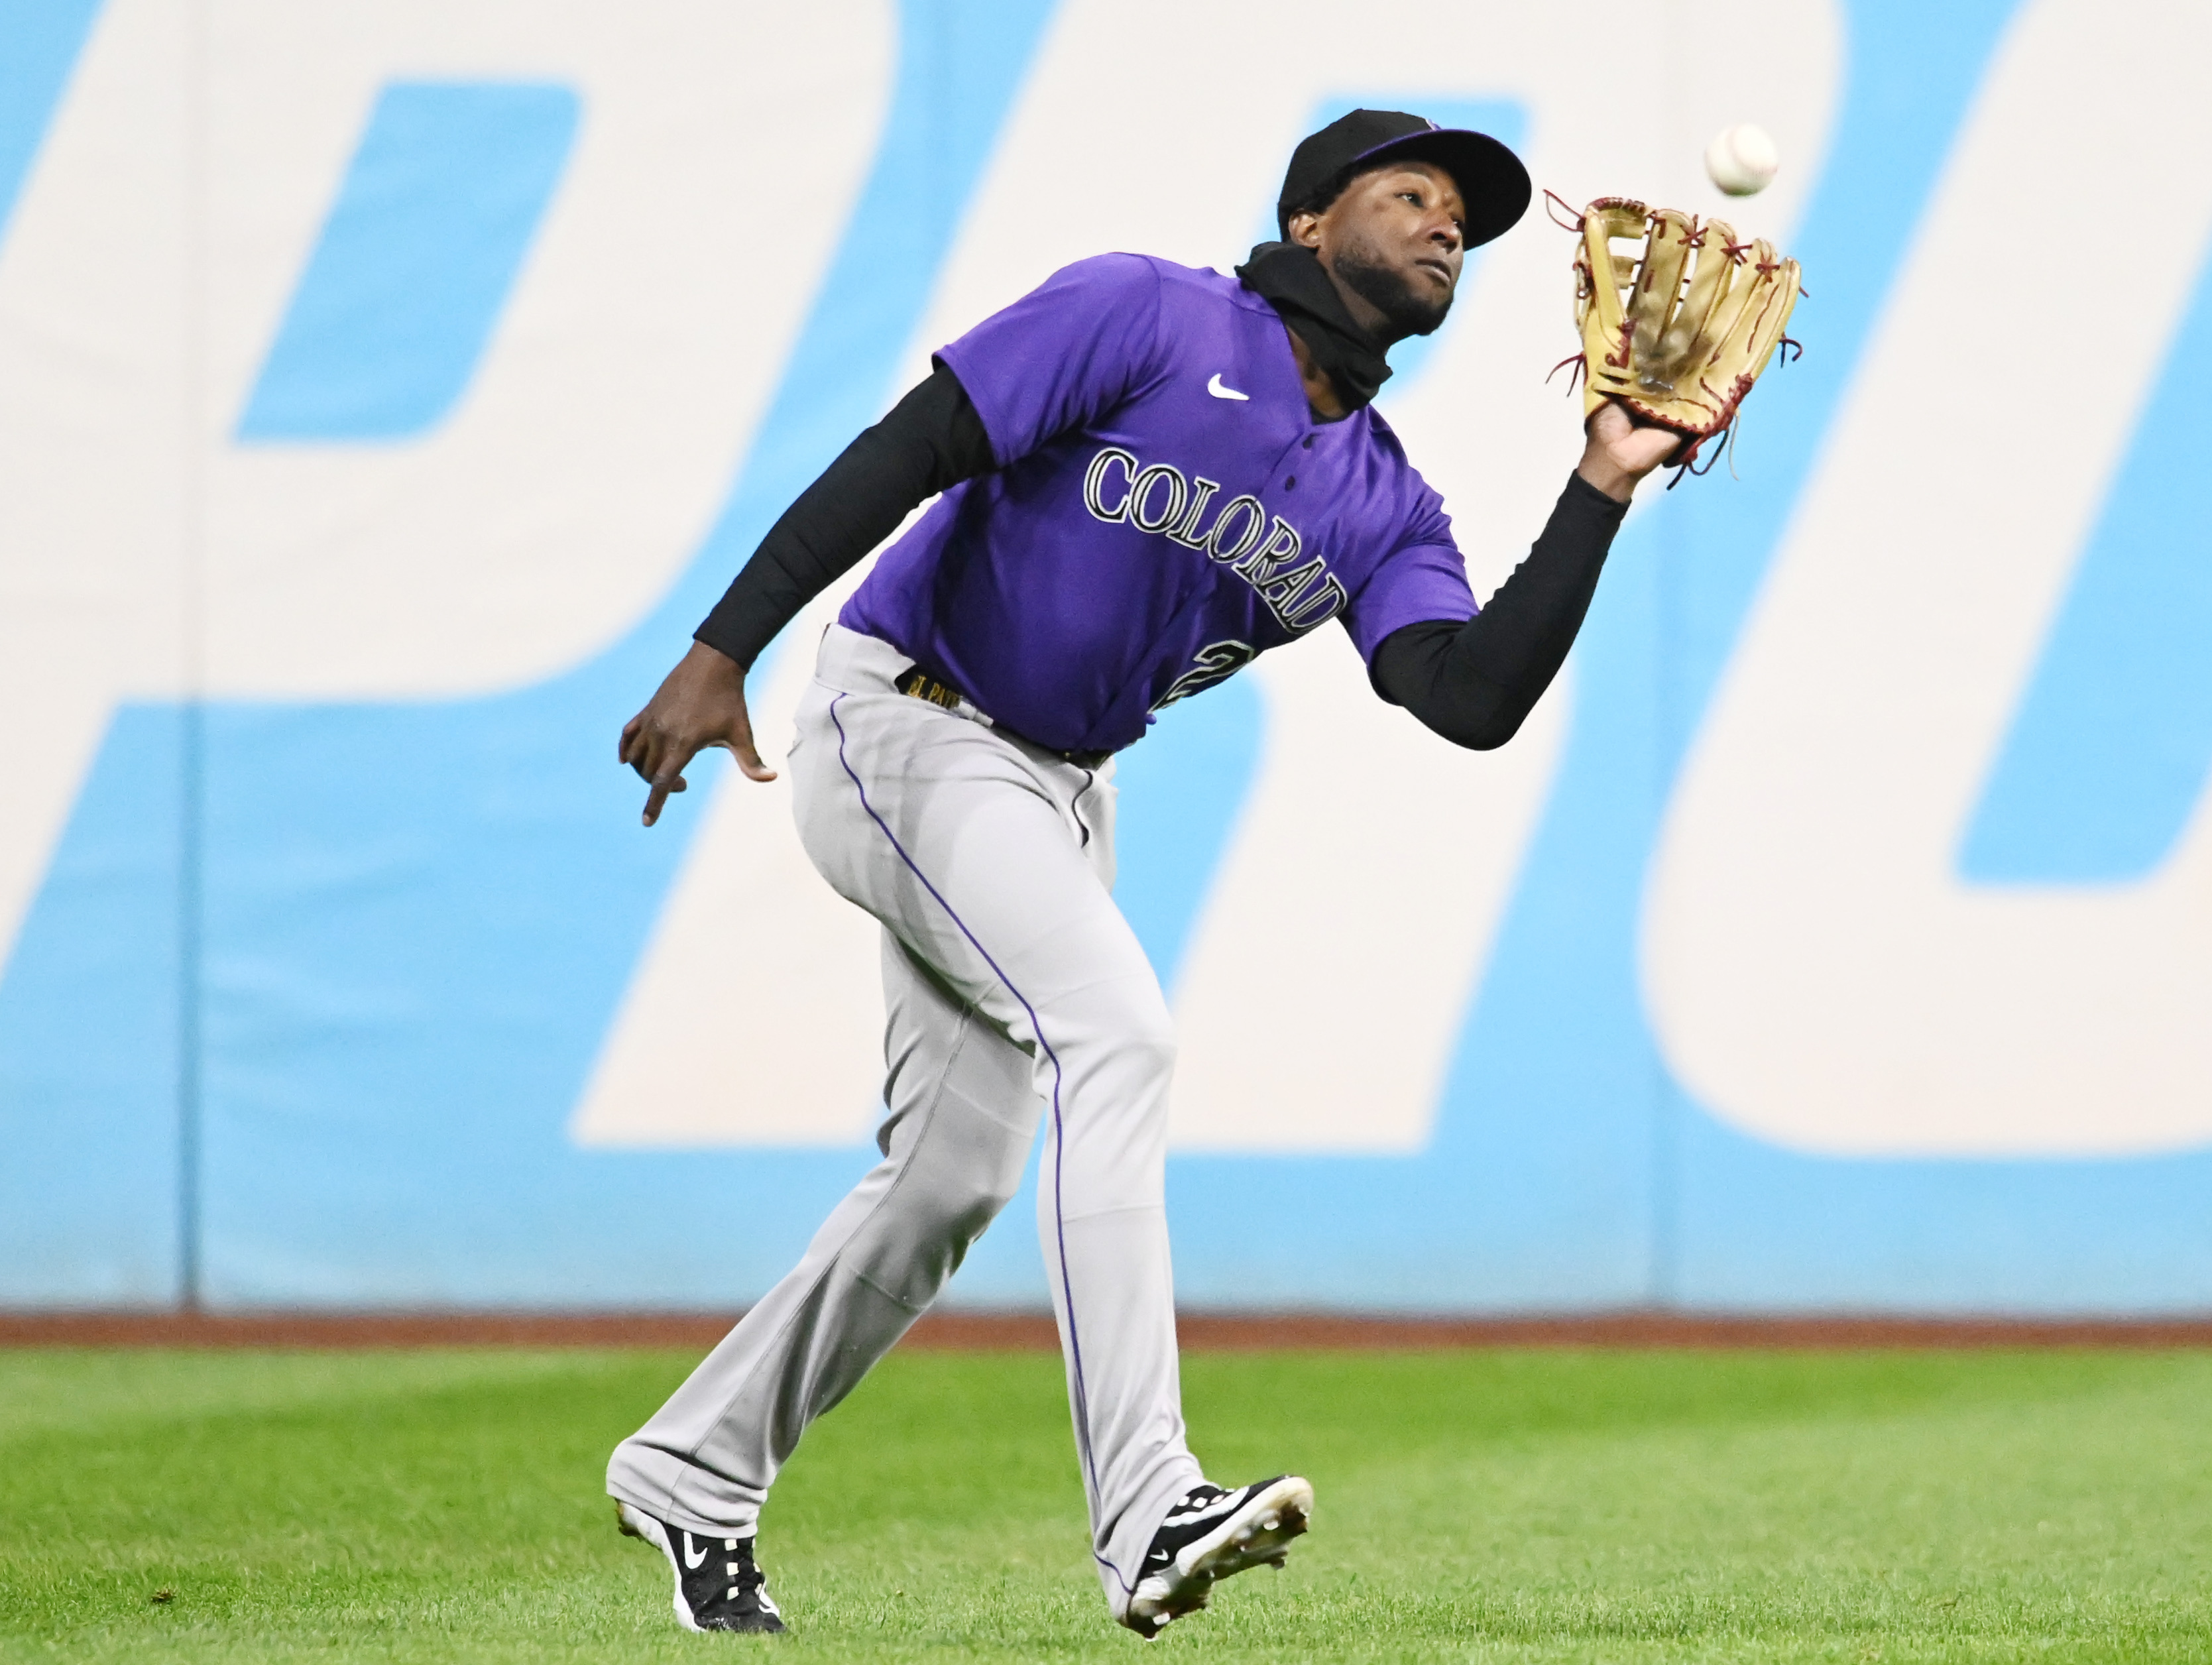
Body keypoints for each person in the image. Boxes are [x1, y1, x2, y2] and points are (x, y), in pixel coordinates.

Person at [605, 108, 1689, 1638]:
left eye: (1465, 218)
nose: (1447, 225)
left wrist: (1600, 482)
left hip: (1050, 787)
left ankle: (694, 1468)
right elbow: (911, 449)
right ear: (1311, 220)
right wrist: (723, 648)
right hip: (903, 717)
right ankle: (1145, 1509)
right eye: (1412, 191)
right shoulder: (1150, 311)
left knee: (951, 1179)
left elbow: (1466, 694)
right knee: (1118, 1034)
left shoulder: (1381, 495)